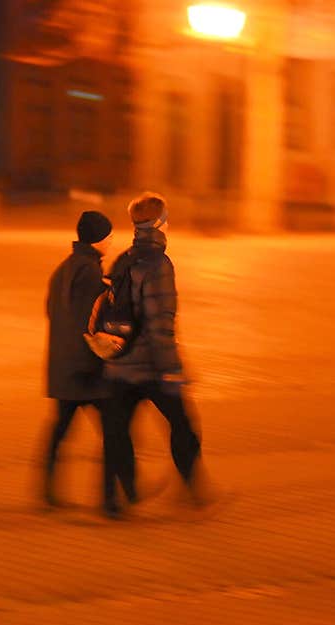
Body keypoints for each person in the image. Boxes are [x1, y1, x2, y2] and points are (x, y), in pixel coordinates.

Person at [102, 191, 203, 509]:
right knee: (184, 425)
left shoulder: (122, 259)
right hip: (151, 367)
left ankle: (120, 498)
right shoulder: (159, 264)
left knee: (119, 431)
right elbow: (160, 321)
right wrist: (172, 368)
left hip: (120, 362)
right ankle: (192, 491)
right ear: (160, 223)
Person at [43, 210, 121, 513]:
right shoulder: (89, 272)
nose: (112, 241)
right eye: (110, 236)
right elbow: (95, 320)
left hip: (62, 365)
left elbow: (52, 312)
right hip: (86, 369)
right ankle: (111, 499)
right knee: (114, 430)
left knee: (60, 430)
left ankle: (47, 490)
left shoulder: (63, 269)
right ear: (99, 239)